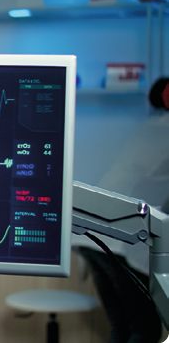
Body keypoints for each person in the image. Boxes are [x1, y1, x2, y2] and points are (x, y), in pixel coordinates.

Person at [73, 77, 169, 343]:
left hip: (91, 235)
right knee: (143, 330)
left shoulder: (149, 128)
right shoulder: (162, 133)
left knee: (122, 327)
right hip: (118, 243)